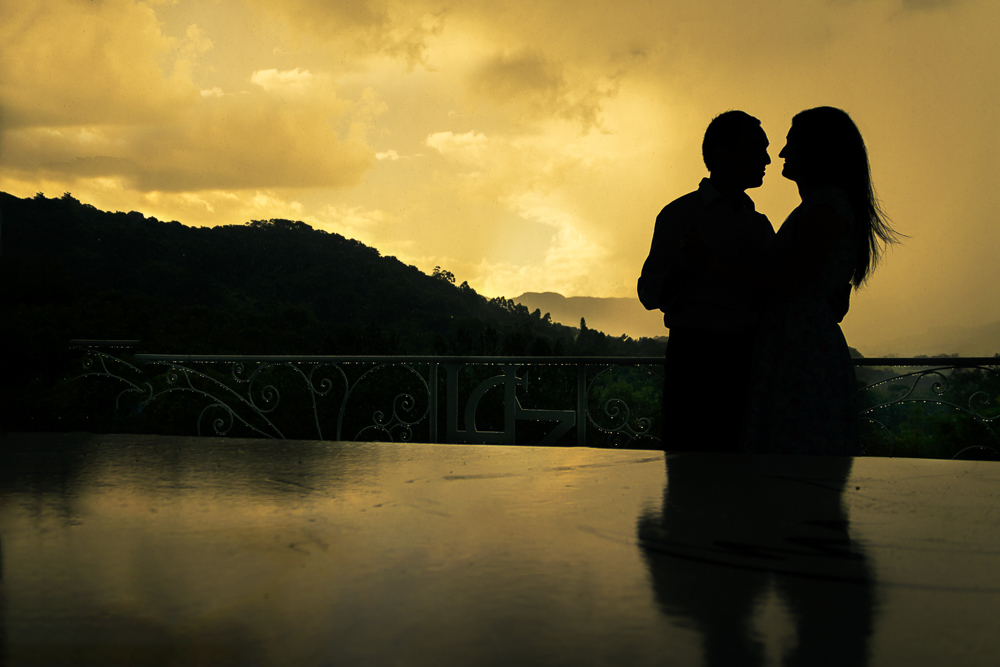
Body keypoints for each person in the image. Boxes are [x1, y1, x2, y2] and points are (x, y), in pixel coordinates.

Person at [744, 107, 899, 455]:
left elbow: (792, 279)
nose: (782, 154)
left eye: (790, 143)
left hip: (801, 347)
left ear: (816, 150)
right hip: (799, 340)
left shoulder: (826, 206)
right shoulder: (823, 205)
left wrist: (718, 265)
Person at [638, 111, 775, 452]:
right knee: (692, 468)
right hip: (695, 361)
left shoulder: (759, 225)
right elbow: (649, 293)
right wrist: (687, 269)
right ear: (722, 153)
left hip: (747, 360)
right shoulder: (679, 215)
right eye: (757, 149)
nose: (767, 159)